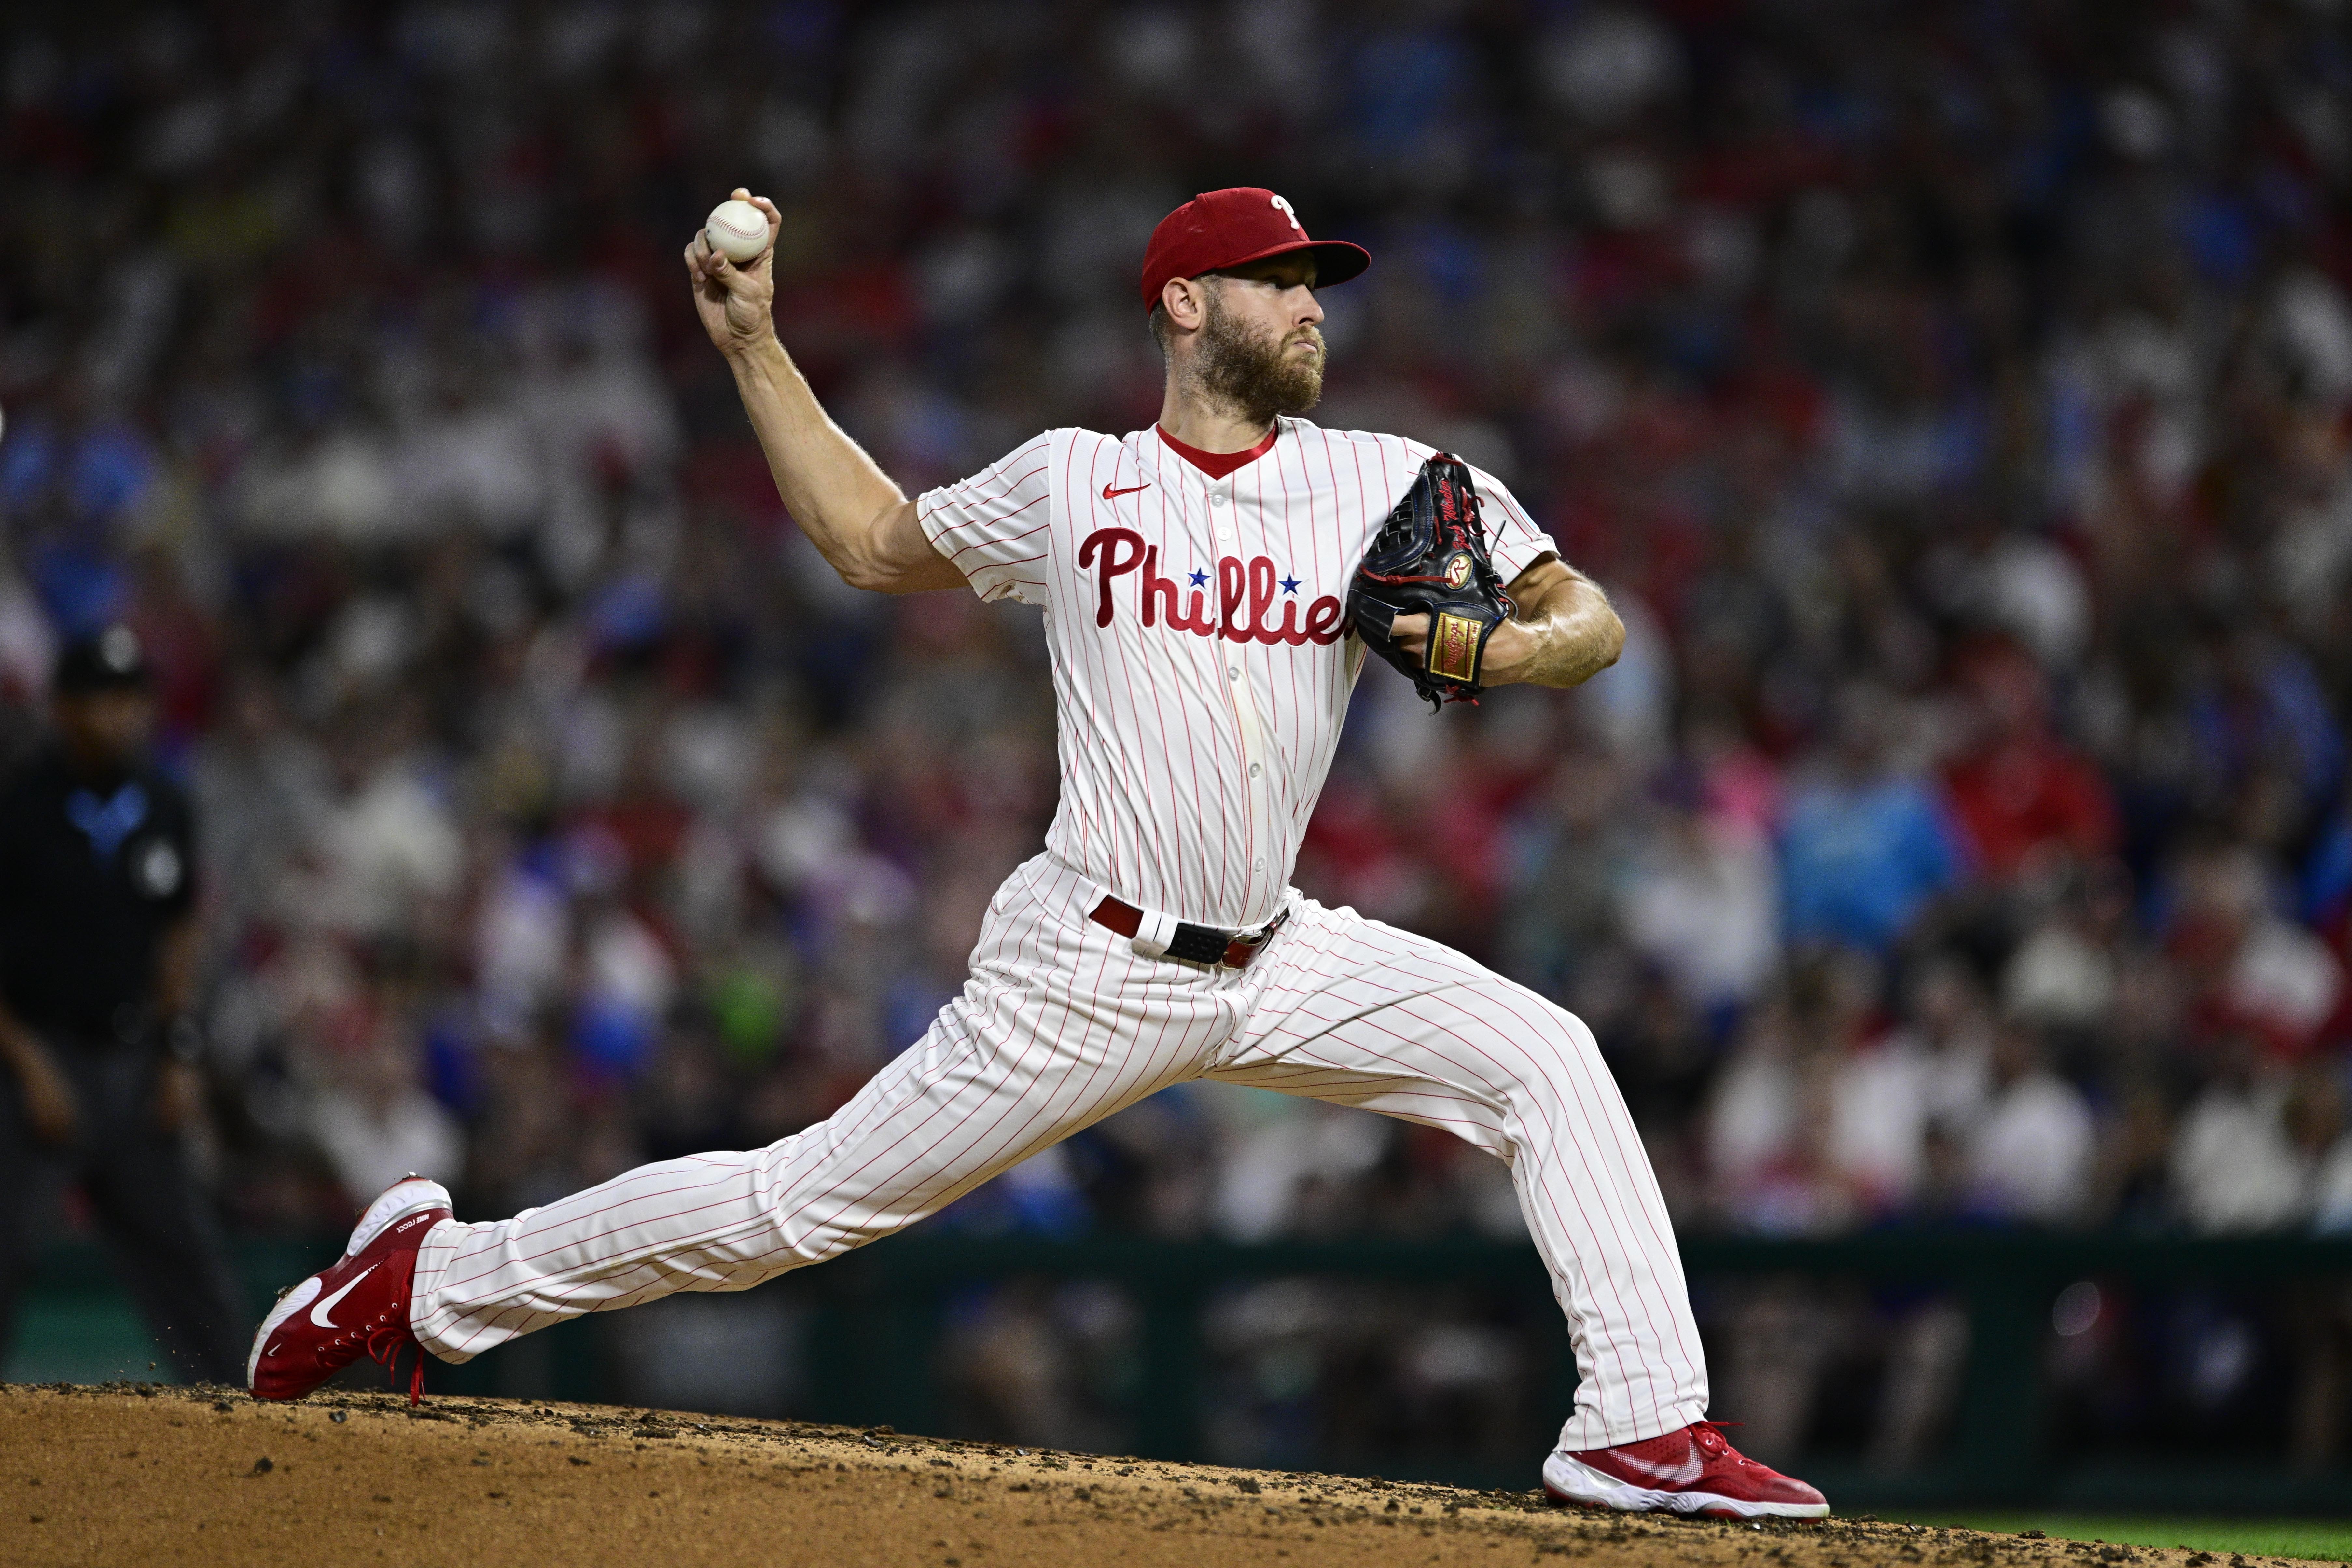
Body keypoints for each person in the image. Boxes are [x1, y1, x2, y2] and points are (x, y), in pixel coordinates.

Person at [248, 187, 1826, 1518]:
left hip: (1281, 954)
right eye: (1279, 283)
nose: (1311, 308)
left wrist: (1517, 655)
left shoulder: (1385, 481)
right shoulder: (1078, 480)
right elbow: (871, 545)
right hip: (1088, 962)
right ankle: (429, 1284)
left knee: (1545, 1057)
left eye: (1317, 284)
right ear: (1187, 306)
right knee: (795, 1209)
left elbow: (1593, 619)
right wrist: (752, 345)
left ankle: (1637, 1422)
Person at [0, 625, 247, 1383]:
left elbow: (179, 935)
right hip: (37, 1056)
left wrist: (178, 1051)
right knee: (4, 1247)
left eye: (133, 698)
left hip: (135, 1057)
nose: (121, 715)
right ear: (65, 709)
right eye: (102, 699)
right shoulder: (20, 806)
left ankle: (245, 1416)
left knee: (184, 1256)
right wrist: (30, 1063)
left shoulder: (163, 802)